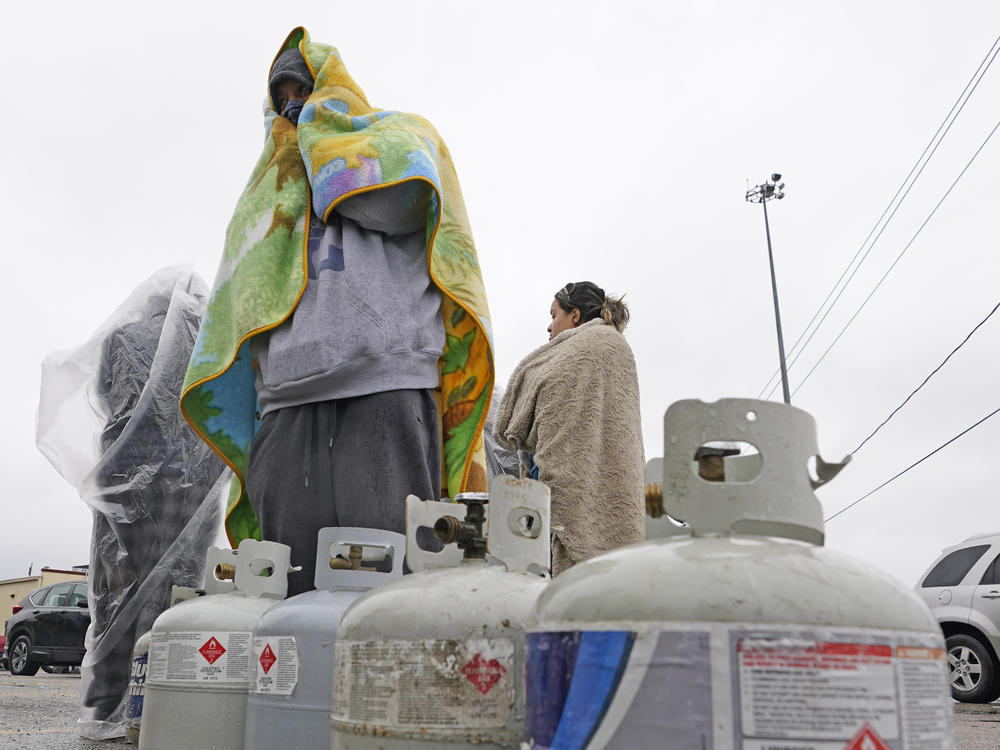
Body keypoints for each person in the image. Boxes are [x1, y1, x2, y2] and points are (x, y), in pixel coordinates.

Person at [180, 28, 494, 595]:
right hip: (287, 399)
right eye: (282, 97)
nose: (293, 104)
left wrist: (323, 143)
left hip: (385, 381)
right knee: (284, 591)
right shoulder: (269, 184)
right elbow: (245, 289)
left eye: (305, 87)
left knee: (383, 582)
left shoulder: (398, 135)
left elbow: (399, 202)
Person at [493, 282, 645, 575]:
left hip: (559, 500)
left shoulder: (585, 349)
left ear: (574, 315)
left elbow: (517, 420)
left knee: (561, 595)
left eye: (554, 316)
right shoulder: (614, 348)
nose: (549, 328)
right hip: (600, 492)